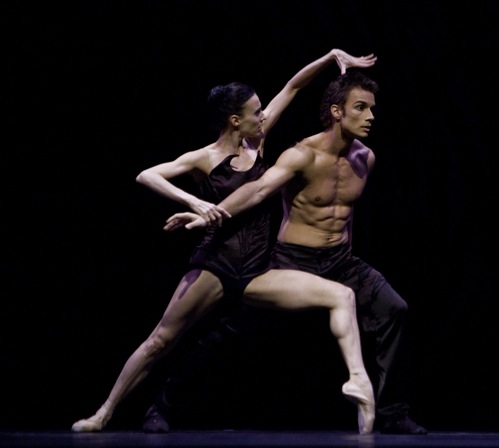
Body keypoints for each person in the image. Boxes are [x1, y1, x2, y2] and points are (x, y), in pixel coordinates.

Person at [70, 49, 379, 435]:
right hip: (216, 265)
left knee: (339, 296)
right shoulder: (205, 157)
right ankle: (104, 413)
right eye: (256, 112)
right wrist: (195, 202)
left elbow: (293, 87)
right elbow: (147, 175)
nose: (263, 116)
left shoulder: (258, 143)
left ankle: (359, 384)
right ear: (236, 120)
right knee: (161, 341)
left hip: (257, 271)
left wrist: (330, 57)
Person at [163, 71, 428, 435]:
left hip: (341, 261)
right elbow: (258, 190)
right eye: (361, 108)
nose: (370, 116)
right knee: (235, 333)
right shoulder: (302, 154)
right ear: (336, 111)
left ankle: (392, 412)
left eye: (372, 109)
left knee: (394, 309)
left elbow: (345, 217)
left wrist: (346, 259)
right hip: (292, 260)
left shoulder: (365, 158)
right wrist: (209, 214)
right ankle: (167, 401)